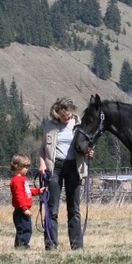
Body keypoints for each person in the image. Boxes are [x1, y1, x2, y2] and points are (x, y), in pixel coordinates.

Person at [38, 97, 94, 250]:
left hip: (74, 167)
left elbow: (85, 146)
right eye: (63, 115)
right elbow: (42, 149)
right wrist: (42, 164)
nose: (66, 117)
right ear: (57, 113)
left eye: (68, 114)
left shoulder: (79, 124)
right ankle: (51, 245)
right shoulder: (49, 126)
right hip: (54, 167)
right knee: (52, 208)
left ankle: (77, 246)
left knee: (74, 208)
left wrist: (89, 152)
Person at [9, 154, 44, 249]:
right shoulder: (17, 180)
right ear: (18, 167)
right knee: (25, 229)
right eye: (25, 167)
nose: (27, 169)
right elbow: (19, 196)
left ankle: (19, 246)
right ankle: (22, 246)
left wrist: (38, 191)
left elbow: (27, 192)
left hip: (23, 210)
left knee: (25, 228)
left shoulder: (22, 179)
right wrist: (24, 209)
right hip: (21, 211)